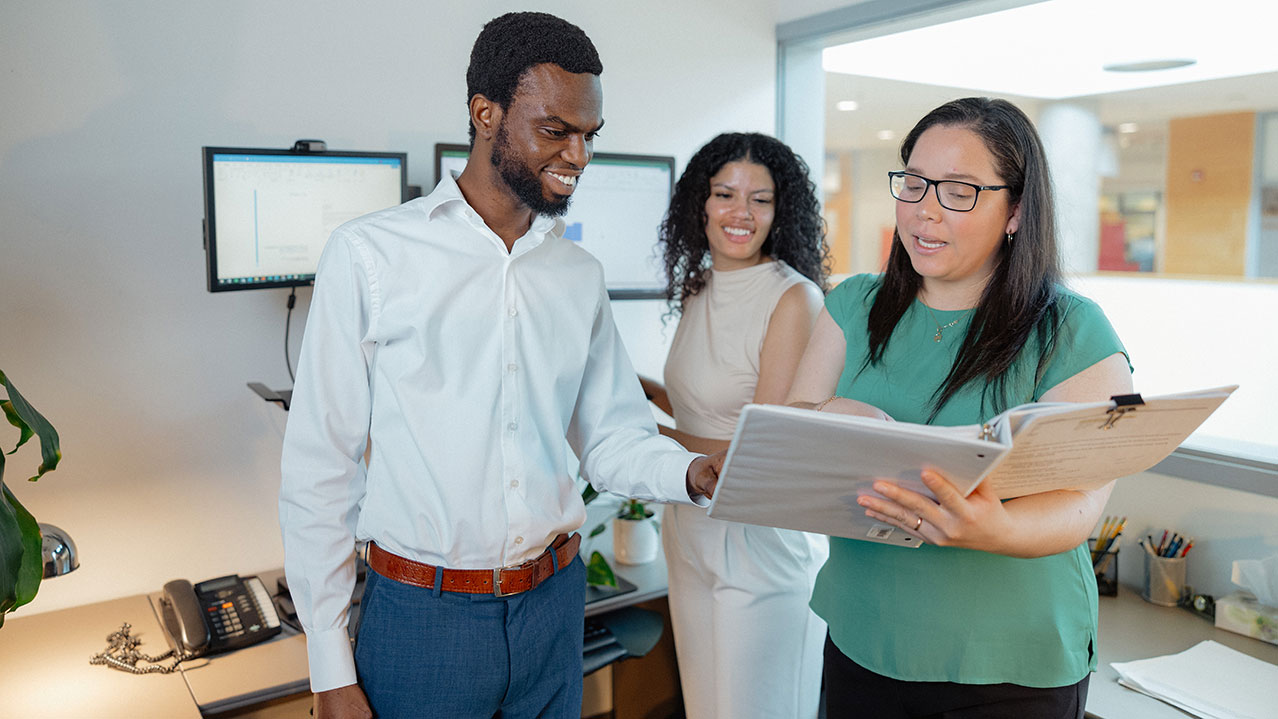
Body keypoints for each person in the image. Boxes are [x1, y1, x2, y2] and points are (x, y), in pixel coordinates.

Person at [278, 12, 723, 719]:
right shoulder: (370, 255)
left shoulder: (577, 274)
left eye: (589, 136)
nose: (579, 155)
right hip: (423, 620)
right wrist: (329, 670)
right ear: (485, 114)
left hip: (553, 608)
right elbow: (320, 469)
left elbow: (610, 438)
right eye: (556, 130)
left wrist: (696, 471)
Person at [785, 97, 1133, 719]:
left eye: (960, 191)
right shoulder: (854, 305)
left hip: (1009, 661)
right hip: (865, 634)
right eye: (914, 183)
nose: (925, 209)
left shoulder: (1071, 329)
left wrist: (994, 530)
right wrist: (835, 414)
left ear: (1017, 211)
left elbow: (1082, 499)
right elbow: (795, 431)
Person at [639, 132, 830, 719]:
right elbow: (703, 406)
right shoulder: (698, 289)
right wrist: (634, 393)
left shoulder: (793, 299)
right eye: (725, 194)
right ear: (701, 202)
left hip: (757, 540)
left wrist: (645, 440)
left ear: (781, 210)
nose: (741, 213)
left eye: (760, 199)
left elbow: (761, 447)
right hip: (689, 526)